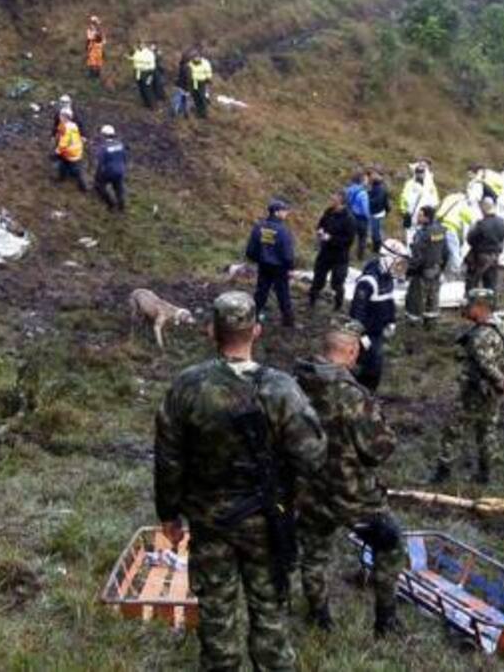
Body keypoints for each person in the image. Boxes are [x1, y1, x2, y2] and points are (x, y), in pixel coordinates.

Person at [154, 291, 326, 672]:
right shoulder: (282, 389)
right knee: (270, 615)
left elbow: (168, 457)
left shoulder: (186, 386)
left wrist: (169, 514)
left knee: (216, 615)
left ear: (210, 331)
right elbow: (313, 456)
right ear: (258, 331)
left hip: (210, 522)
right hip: (268, 521)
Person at [296, 317, 403, 637]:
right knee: (391, 546)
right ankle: (386, 621)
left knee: (314, 554)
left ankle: (319, 616)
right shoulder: (351, 395)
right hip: (352, 493)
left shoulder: (293, 383)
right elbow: (378, 450)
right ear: (353, 351)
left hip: (309, 490)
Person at [431, 289, 504, 485]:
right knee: (487, 430)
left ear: (481, 307)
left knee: (453, 429)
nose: (465, 308)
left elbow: (485, 364)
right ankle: (485, 473)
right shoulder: (503, 326)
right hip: (493, 392)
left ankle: (442, 472)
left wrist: (500, 380)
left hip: (474, 390)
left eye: (470, 305)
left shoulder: (480, 336)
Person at [350, 239, 406, 391]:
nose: (399, 266)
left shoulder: (387, 279)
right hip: (366, 333)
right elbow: (356, 312)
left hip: (378, 332)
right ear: (387, 258)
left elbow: (389, 301)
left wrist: (391, 321)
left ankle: (369, 395)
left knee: (376, 366)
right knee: (367, 366)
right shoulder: (368, 281)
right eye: (397, 261)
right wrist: (362, 337)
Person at [246, 199, 296, 327]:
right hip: (280, 267)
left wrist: (258, 259)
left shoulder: (259, 227)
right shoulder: (283, 231)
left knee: (261, 291)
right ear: (277, 212)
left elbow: (251, 249)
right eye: (284, 211)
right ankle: (288, 320)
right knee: (283, 293)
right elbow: (287, 253)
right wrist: (290, 267)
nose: (286, 213)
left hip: (263, 265)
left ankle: (254, 316)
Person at [310, 190, 355, 311]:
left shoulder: (349, 218)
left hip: (340, 256)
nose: (332, 198)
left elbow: (349, 240)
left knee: (337, 282)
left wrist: (331, 239)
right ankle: (311, 301)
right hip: (325, 252)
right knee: (318, 278)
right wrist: (320, 231)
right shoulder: (328, 212)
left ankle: (338, 305)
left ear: (341, 200)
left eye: (334, 197)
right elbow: (321, 224)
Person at [405, 206, 447, 329]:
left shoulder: (422, 234)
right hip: (436, 269)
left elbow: (418, 256)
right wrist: (441, 266)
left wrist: (410, 270)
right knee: (433, 296)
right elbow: (446, 251)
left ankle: (413, 322)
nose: (418, 217)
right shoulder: (441, 230)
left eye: (420, 215)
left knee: (415, 297)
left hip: (422, 271)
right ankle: (431, 321)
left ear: (427, 217)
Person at [465, 197, 504, 294]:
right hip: (495, 256)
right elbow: (502, 237)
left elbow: (470, 239)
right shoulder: (502, 222)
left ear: (483, 209)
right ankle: (491, 304)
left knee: (472, 281)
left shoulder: (481, 225)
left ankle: (471, 302)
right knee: (491, 283)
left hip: (480, 256)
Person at [435, 190, 475, 276]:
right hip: (450, 227)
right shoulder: (462, 201)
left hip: (438, 226)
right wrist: (473, 223)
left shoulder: (449, 197)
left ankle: (438, 269)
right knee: (454, 250)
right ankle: (456, 270)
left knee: (438, 249)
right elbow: (467, 216)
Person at [399, 163, 438, 246]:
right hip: (412, 216)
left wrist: (430, 215)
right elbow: (404, 199)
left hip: (425, 218)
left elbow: (435, 201)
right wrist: (405, 212)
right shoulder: (409, 184)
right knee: (410, 238)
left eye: (422, 172)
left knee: (422, 239)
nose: (420, 174)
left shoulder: (430, 186)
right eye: (418, 172)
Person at [94, 125, 128, 212]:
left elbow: (100, 162)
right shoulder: (120, 144)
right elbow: (125, 157)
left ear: (104, 135)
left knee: (100, 186)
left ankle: (111, 204)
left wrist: (98, 175)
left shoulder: (103, 147)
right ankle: (122, 207)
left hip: (109, 172)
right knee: (119, 189)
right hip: (120, 170)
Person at [54, 109, 87, 192]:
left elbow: (64, 143)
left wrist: (57, 151)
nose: (60, 117)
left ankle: (83, 186)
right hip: (77, 150)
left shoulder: (65, 127)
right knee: (63, 165)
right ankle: (62, 177)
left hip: (70, 152)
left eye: (61, 115)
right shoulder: (73, 125)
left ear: (65, 117)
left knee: (75, 170)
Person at [345, 173, 372, 261]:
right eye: (366, 180)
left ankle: (345, 254)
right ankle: (360, 257)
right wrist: (368, 217)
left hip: (350, 216)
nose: (367, 182)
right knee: (362, 238)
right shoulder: (363, 193)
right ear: (362, 181)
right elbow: (365, 209)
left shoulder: (348, 190)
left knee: (349, 237)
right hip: (361, 218)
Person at [367, 169, 390, 253]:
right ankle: (377, 248)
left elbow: (377, 200)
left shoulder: (379, 188)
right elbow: (385, 201)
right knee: (376, 231)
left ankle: (378, 248)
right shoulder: (377, 186)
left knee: (376, 232)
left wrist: (367, 200)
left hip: (376, 213)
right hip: (378, 212)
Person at [130, 41, 157, 108]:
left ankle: (152, 105)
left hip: (147, 73)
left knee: (147, 89)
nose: (140, 46)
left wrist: (135, 59)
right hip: (138, 73)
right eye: (139, 44)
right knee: (141, 88)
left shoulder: (149, 53)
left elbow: (149, 62)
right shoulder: (137, 52)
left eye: (142, 44)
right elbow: (134, 59)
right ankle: (146, 103)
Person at [189, 51, 214, 118]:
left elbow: (208, 71)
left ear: (200, 57)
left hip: (202, 82)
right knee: (195, 96)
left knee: (202, 97)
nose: (196, 59)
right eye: (194, 57)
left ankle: (204, 113)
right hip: (194, 82)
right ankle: (198, 111)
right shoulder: (190, 63)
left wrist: (209, 78)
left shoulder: (205, 63)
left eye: (197, 57)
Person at [172, 48, 194, 118]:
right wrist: (188, 88)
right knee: (186, 101)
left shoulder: (181, 65)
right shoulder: (188, 68)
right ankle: (185, 114)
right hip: (185, 87)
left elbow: (180, 77)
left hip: (180, 86)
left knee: (178, 100)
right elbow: (188, 78)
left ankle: (176, 112)